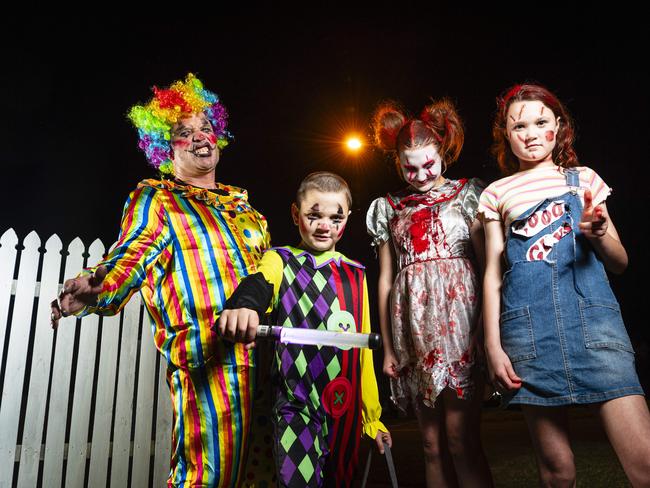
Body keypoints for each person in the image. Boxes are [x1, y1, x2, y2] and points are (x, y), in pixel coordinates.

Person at [50, 73, 271, 487]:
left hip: (270, 362)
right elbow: (132, 252)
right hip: (209, 365)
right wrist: (97, 285)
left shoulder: (248, 212)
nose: (201, 137)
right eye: (184, 133)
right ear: (165, 148)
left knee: (268, 478)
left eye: (206, 127)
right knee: (207, 479)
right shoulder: (158, 198)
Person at [479, 83, 650, 486]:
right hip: (530, 334)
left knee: (644, 462)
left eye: (541, 121)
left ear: (559, 125)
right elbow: (491, 273)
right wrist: (492, 347)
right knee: (557, 471)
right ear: (506, 134)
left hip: (596, 327)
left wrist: (600, 233)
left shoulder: (584, 179)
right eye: (518, 125)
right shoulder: (496, 194)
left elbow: (620, 262)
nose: (531, 132)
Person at [218, 171, 392, 487]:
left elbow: (361, 356)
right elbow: (260, 282)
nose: (325, 225)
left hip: (344, 408)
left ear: (347, 219)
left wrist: (372, 417)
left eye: (334, 218)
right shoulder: (280, 260)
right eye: (314, 215)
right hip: (294, 403)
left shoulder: (355, 275)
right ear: (296, 214)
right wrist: (244, 305)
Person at [367, 99, 493, 487]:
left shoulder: (467, 194)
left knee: (460, 439)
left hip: (461, 326)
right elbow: (386, 280)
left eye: (428, 164)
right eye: (410, 167)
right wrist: (389, 347)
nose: (420, 174)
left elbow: (489, 266)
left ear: (443, 154)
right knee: (429, 444)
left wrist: (487, 333)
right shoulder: (388, 208)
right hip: (413, 332)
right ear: (397, 162)